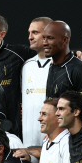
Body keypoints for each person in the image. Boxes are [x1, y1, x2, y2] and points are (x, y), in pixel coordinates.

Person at [0, 14, 36, 138]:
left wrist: (72, 54)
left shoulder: (18, 53)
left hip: (14, 129)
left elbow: (47, 56)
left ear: (2, 35)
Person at [21, 16, 53, 147]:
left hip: (53, 136)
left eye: (35, 32)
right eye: (29, 33)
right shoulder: (27, 66)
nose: (30, 37)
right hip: (28, 138)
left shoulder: (61, 65)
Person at [43, 21, 82, 100]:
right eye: (44, 38)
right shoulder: (49, 66)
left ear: (64, 40)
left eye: (50, 38)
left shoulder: (78, 69)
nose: (44, 43)